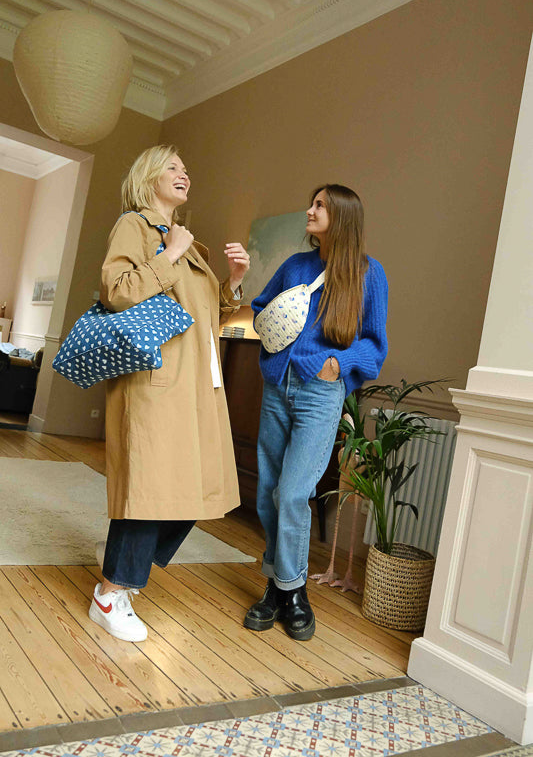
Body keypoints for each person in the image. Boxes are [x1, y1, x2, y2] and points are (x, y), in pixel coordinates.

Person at [90, 144, 250, 642]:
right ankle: (112, 592)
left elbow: (207, 315)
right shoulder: (134, 227)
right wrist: (170, 254)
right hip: (156, 381)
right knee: (152, 489)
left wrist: (234, 285)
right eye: (174, 167)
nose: (185, 173)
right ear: (150, 177)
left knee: (195, 488)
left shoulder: (189, 242)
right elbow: (117, 293)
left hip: (199, 382)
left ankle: (125, 560)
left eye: (186, 166)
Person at [244, 184, 388, 640]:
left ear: (341, 215)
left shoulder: (369, 274)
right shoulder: (295, 266)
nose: (309, 210)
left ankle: (291, 589)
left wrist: (337, 364)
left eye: (319, 205)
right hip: (277, 388)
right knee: (269, 491)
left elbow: (373, 343)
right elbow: (261, 308)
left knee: (291, 493)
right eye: (312, 202)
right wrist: (273, 346)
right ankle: (280, 589)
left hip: (321, 394)